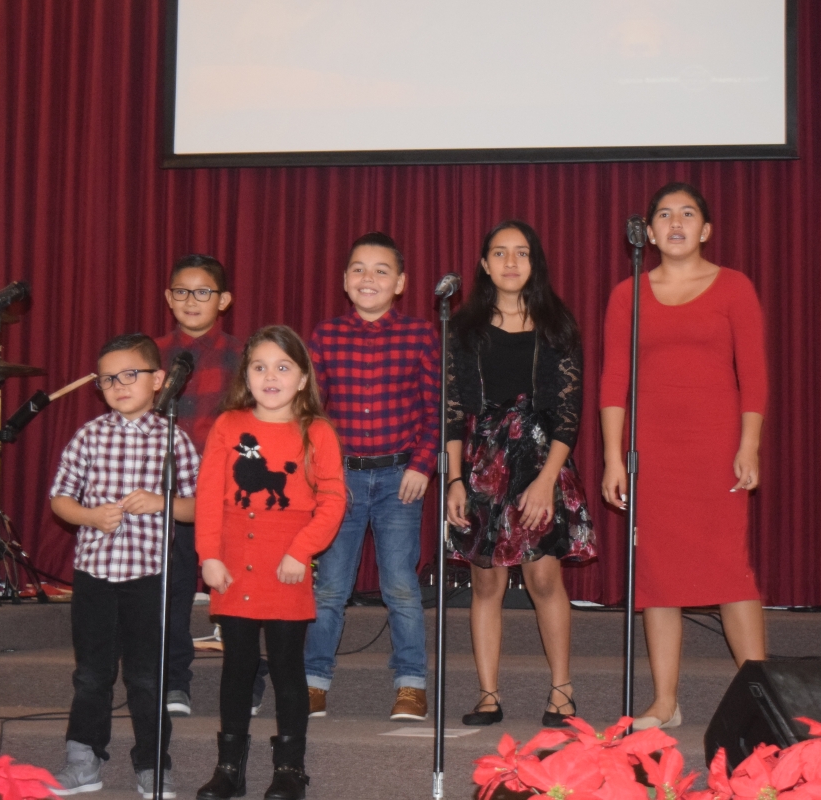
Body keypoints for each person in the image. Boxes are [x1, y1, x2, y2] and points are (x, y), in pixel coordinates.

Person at [599, 181, 768, 732]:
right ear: (648, 233)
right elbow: (613, 382)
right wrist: (613, 457)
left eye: (688, 213)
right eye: (665, 215)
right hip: (653, 456)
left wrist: (748, 445)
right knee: (658, 579)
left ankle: (765, 701)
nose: (676, 223)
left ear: (706, 229)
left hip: (716, 451)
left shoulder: (734, 287)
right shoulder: (628, 293)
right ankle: (664, 702)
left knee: (731, 573)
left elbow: (754, 375)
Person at [444, 219, 595, 729]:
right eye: (500, 253)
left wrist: (547, 480)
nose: (511, 262)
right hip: (482, 465)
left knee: (544, 577)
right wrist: (454, 479)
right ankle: (488, 695)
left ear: (535, 263)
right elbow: (453, 411)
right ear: (484, 265)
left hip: (539, 461)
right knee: (486, 582)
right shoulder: (462, 329)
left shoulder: (557, 325)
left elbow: (568, 413)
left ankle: (562, 692)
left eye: (522, 253)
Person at [195, 325, 346, 800]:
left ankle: (289, 770)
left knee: (286, 666)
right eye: (259, 367)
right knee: (237, 666)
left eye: (283, 367)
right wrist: (209, 556)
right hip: (234, 563)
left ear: (302, 378)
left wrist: (301, 551)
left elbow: (333, 500)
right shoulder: (228, 424)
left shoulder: (317, 431)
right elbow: (207, 497)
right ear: (246, 375)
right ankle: (229, 768)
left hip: (287, 563)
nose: (270, 377)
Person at [48, 333, 200, 799]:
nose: (118, 385)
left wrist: (161, 501)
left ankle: (152, 764)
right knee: (91, 673)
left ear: (158, 380)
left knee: (146, 677)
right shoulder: (89, 435)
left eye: (129, 375)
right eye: (107, 379)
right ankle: (83, 760)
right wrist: (90, 516)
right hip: (95, 574)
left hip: (148, 577)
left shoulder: (174, 439)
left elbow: (198, 506)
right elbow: (60, 499)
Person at [303, 231, 439, 721]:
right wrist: (319, 473)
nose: (369, 278)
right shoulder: (325, 336)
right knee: (330, 588)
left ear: (400, 283)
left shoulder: (422, 334)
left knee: (401, 586)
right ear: (344, 280)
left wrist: (422, 464)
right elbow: (309, 411)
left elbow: (437, 410)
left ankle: (411, 683)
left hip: (399, 478)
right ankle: (313, 681)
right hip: (341, 480)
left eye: (382, 271)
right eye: (359, 269)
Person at [153, 253, 258, 719]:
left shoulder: (245, 355)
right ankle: (174, 679)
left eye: (203, 292)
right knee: (171, 592)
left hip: (229, 493)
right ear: (168, 297)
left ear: (224, 300)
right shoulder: (149, 355)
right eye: (181, 291)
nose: (191, 301)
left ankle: (249, 676)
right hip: (168, 493)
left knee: (238, 591)